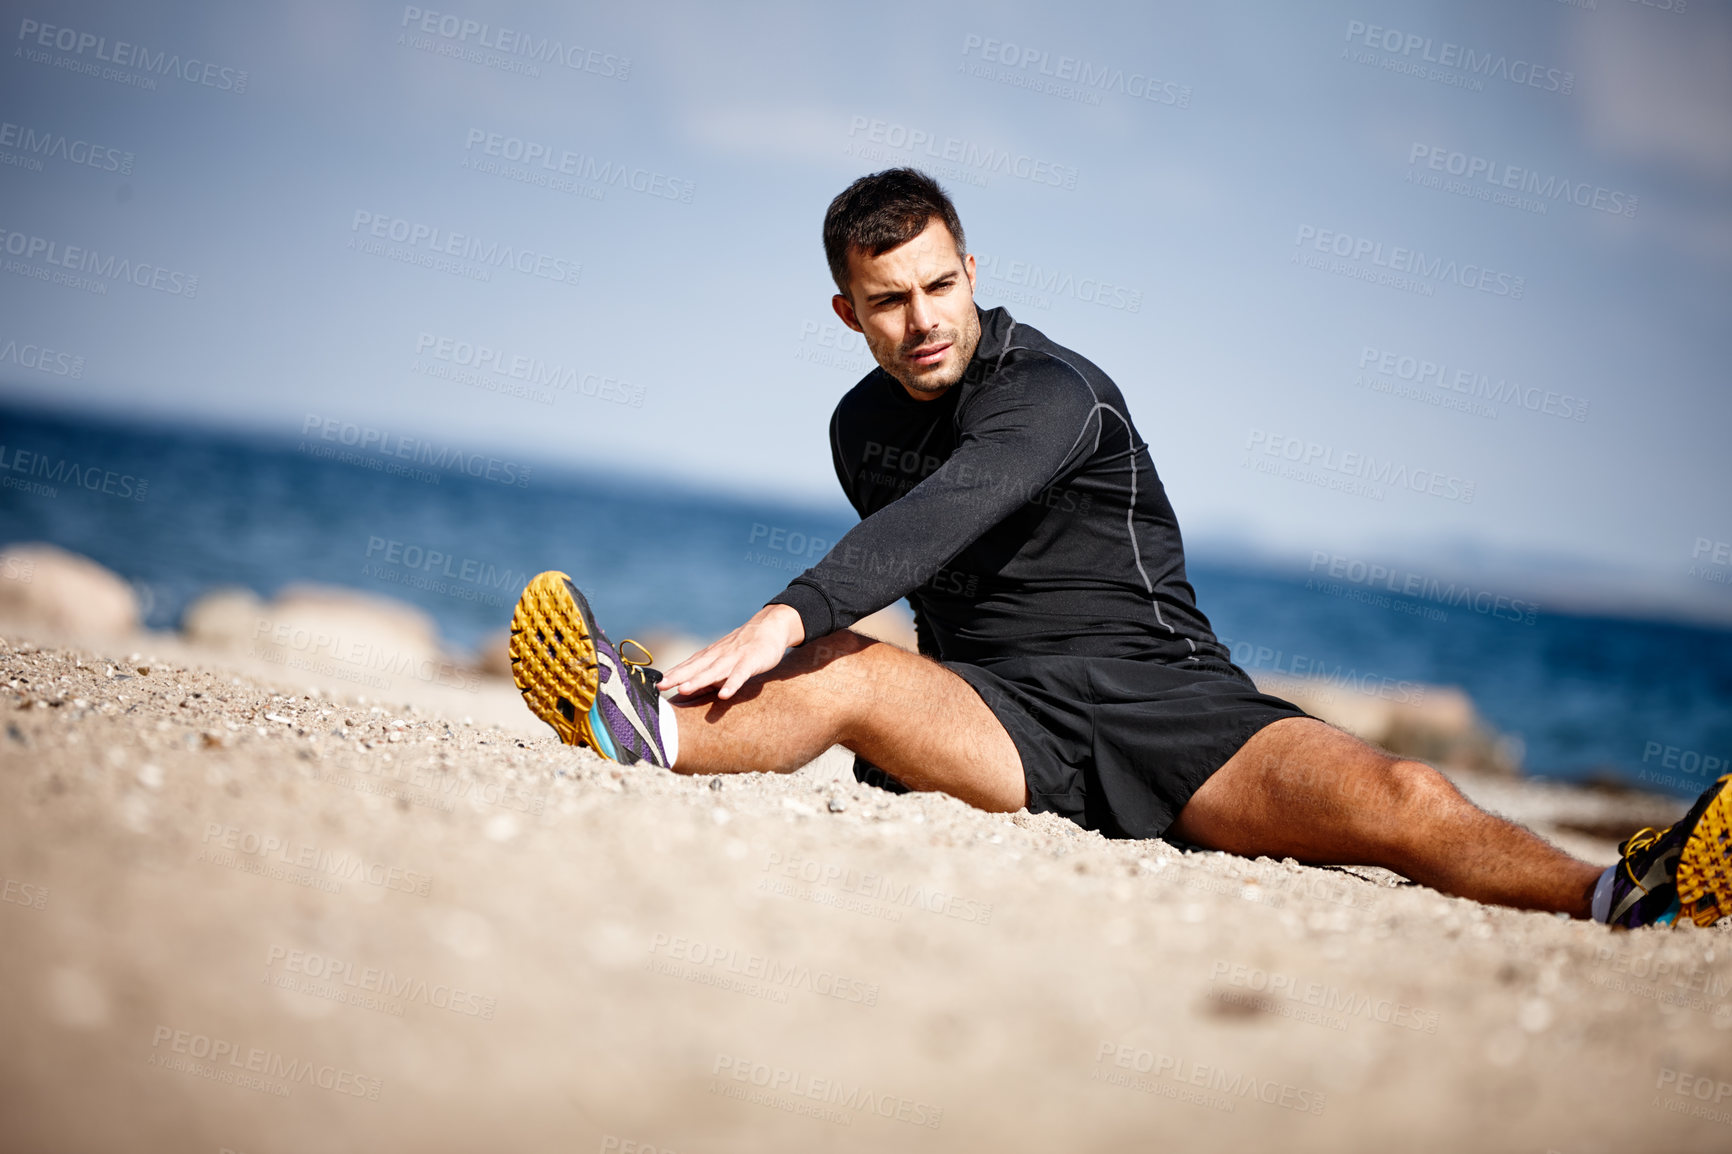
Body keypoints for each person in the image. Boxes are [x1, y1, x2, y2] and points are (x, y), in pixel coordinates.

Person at [508, 168, 1730, 930]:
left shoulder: (1054, 391)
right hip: (1002, 717)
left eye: (939, 284)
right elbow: (914, 579)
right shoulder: (858, 424)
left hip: (1167, 705)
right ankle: (645, 720)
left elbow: (948, 510)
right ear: (848, 311)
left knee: (1399, 797)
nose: (922, 318)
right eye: (888, 300)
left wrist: (785, 609)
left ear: (972, 270)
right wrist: (820, 642)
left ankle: (1616, 889)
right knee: (858, 673)